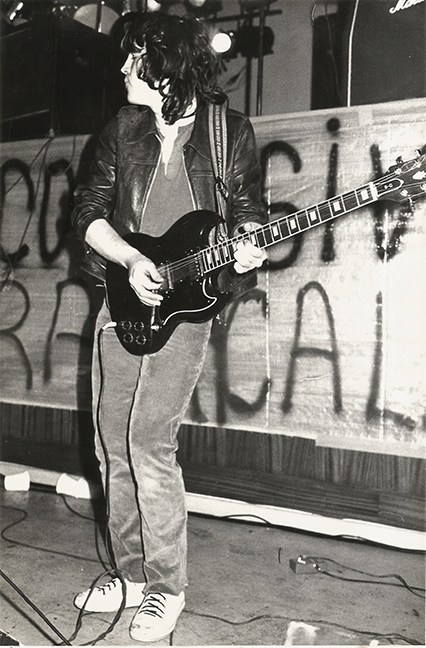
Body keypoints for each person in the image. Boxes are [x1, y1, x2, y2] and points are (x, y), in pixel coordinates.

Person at [71, 11, 267, 643]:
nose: (123, 67)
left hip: (185, 307)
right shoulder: (122, 129)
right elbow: (88, 213)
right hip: (122, 297)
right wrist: (131, 260)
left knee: (148, 439)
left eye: (134, 57)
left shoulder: (228, 132)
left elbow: (249, 213)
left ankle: (166, 587)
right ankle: (130, 574)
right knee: (110, 440)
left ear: (165, 64)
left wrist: (249, 245)